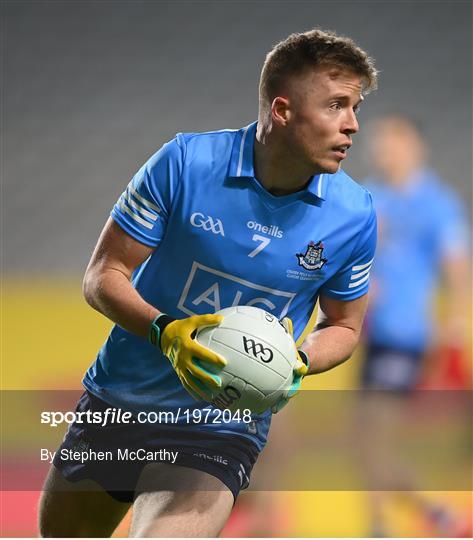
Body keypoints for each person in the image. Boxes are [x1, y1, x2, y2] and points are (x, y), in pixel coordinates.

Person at [39, 28, 378, 538]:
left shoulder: (353, 214)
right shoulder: (185, 164)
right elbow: (103, 275)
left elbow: (345, 327)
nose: (352, 125)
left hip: (221, 427)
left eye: (355, 108)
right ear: (282, 110)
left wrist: (301, 361)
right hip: (119, 404)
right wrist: (164, 332)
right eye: (336, 105)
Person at [358, 115, 471, 537]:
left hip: (406, 335)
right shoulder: (370, 197)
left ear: (416, 147)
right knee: (366, 442)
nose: (385, 149)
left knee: (375, 437)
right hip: (371, 334)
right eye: (381, 141)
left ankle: (386, 526)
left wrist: (455, 328)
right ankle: (420, 517)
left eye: (394, 141)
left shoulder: (436, 203)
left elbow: (456, 268)